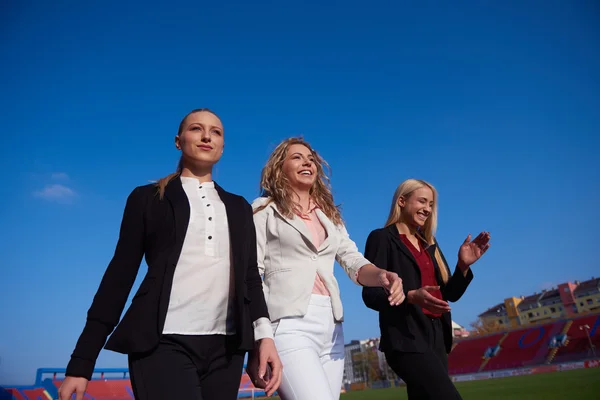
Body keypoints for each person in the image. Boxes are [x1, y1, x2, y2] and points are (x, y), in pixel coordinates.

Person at [58, 109, 282, 400]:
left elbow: (251, 279)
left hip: (226, 352)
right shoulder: (147, 199)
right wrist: (82, 362)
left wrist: (263, 338)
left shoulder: (239, 207)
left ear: (222, 146)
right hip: (162, 344)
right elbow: (119, 277)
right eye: (196, 129)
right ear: (179, 141)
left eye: (216, 132)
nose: (206, 136)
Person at [246, 137, 405, 400]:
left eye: (310, 158)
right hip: (287, 324)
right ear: (278, 167)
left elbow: (351, 259)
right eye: (296, 157)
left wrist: (381, 275)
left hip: (331, 327)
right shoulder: (263, 210)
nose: (307, 161)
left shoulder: (329, 216)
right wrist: (260, 336)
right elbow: (252, 273)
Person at [362, 179, 491, 399]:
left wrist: (463, 266)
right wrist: (410, 297)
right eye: (422, 201)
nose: (427, 209)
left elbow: (450, 294)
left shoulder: (429, 243)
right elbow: (370, 294)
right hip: (405, 338)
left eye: (431, 204)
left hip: (437, 338)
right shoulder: (381, 238)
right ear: (402, 201)